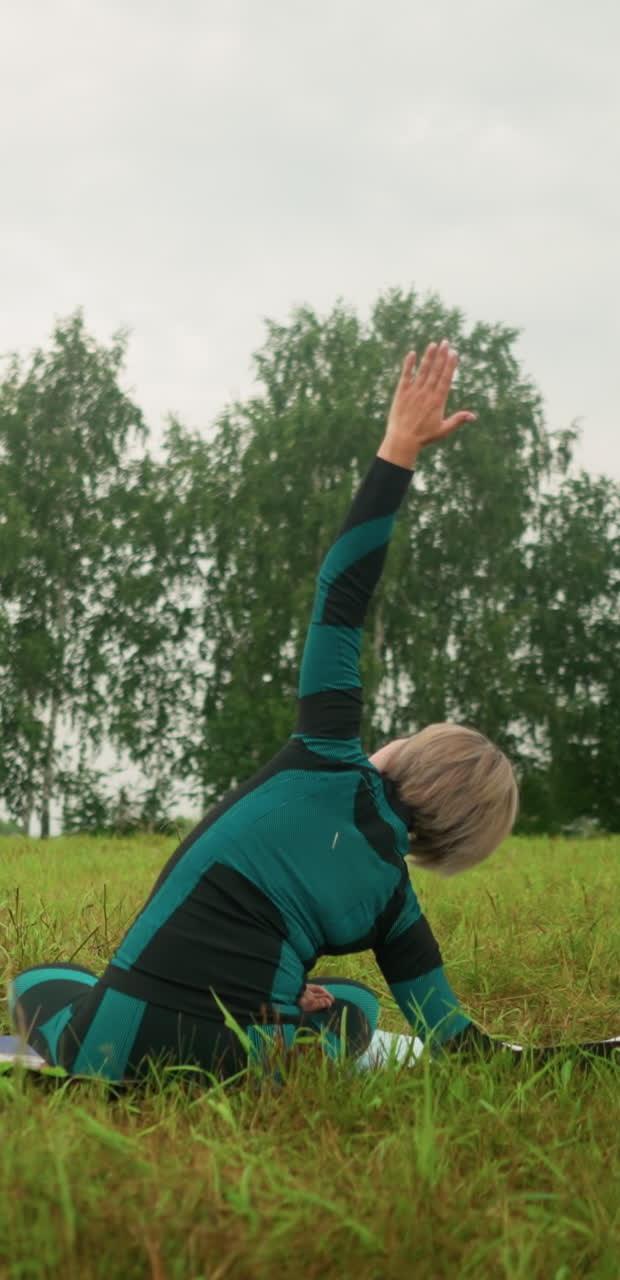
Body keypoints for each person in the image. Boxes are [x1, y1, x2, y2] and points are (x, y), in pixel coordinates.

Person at [8, 340, 519, 1083]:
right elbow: (455, 1039)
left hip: (109, 1050)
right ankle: (291, 1017)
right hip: (239, 1068)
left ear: (405, 756)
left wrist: (399, 446)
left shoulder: (327, 752)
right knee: (353, 1004)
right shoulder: (395, 908)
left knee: (43, 981)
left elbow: (341, 592)